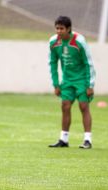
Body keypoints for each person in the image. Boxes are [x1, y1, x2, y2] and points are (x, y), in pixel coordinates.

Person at [48, 16, 96, 149]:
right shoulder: (53, 42)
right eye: (57, 28)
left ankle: (87, 139)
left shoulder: (79, 41)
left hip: (82, 80)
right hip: (67, 81)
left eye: (61, 28)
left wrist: (90, 85)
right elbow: (52, 63)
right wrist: (56, 84)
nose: (58, 31)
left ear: (69, 29)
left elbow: (89, 63)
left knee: (83, 106)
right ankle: (64, 139)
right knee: (65, 106)